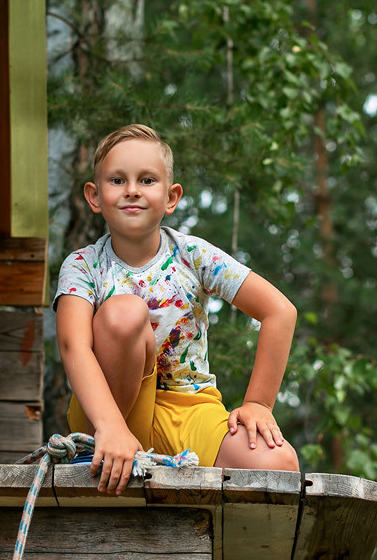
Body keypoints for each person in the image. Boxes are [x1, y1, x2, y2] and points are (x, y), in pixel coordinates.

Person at [55, 123, 300, 495]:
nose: (132, 190)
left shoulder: (193, 255)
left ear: (171, 198)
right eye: (117, 180)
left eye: (147, 180)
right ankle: (99, 447)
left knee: (277, 463)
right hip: (112, 409)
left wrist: (258, 403)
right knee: (125, 312)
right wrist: (110, 425)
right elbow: (74, 345)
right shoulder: (83, 265)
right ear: (94, 196)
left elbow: (279, 311)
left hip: (190, 408)